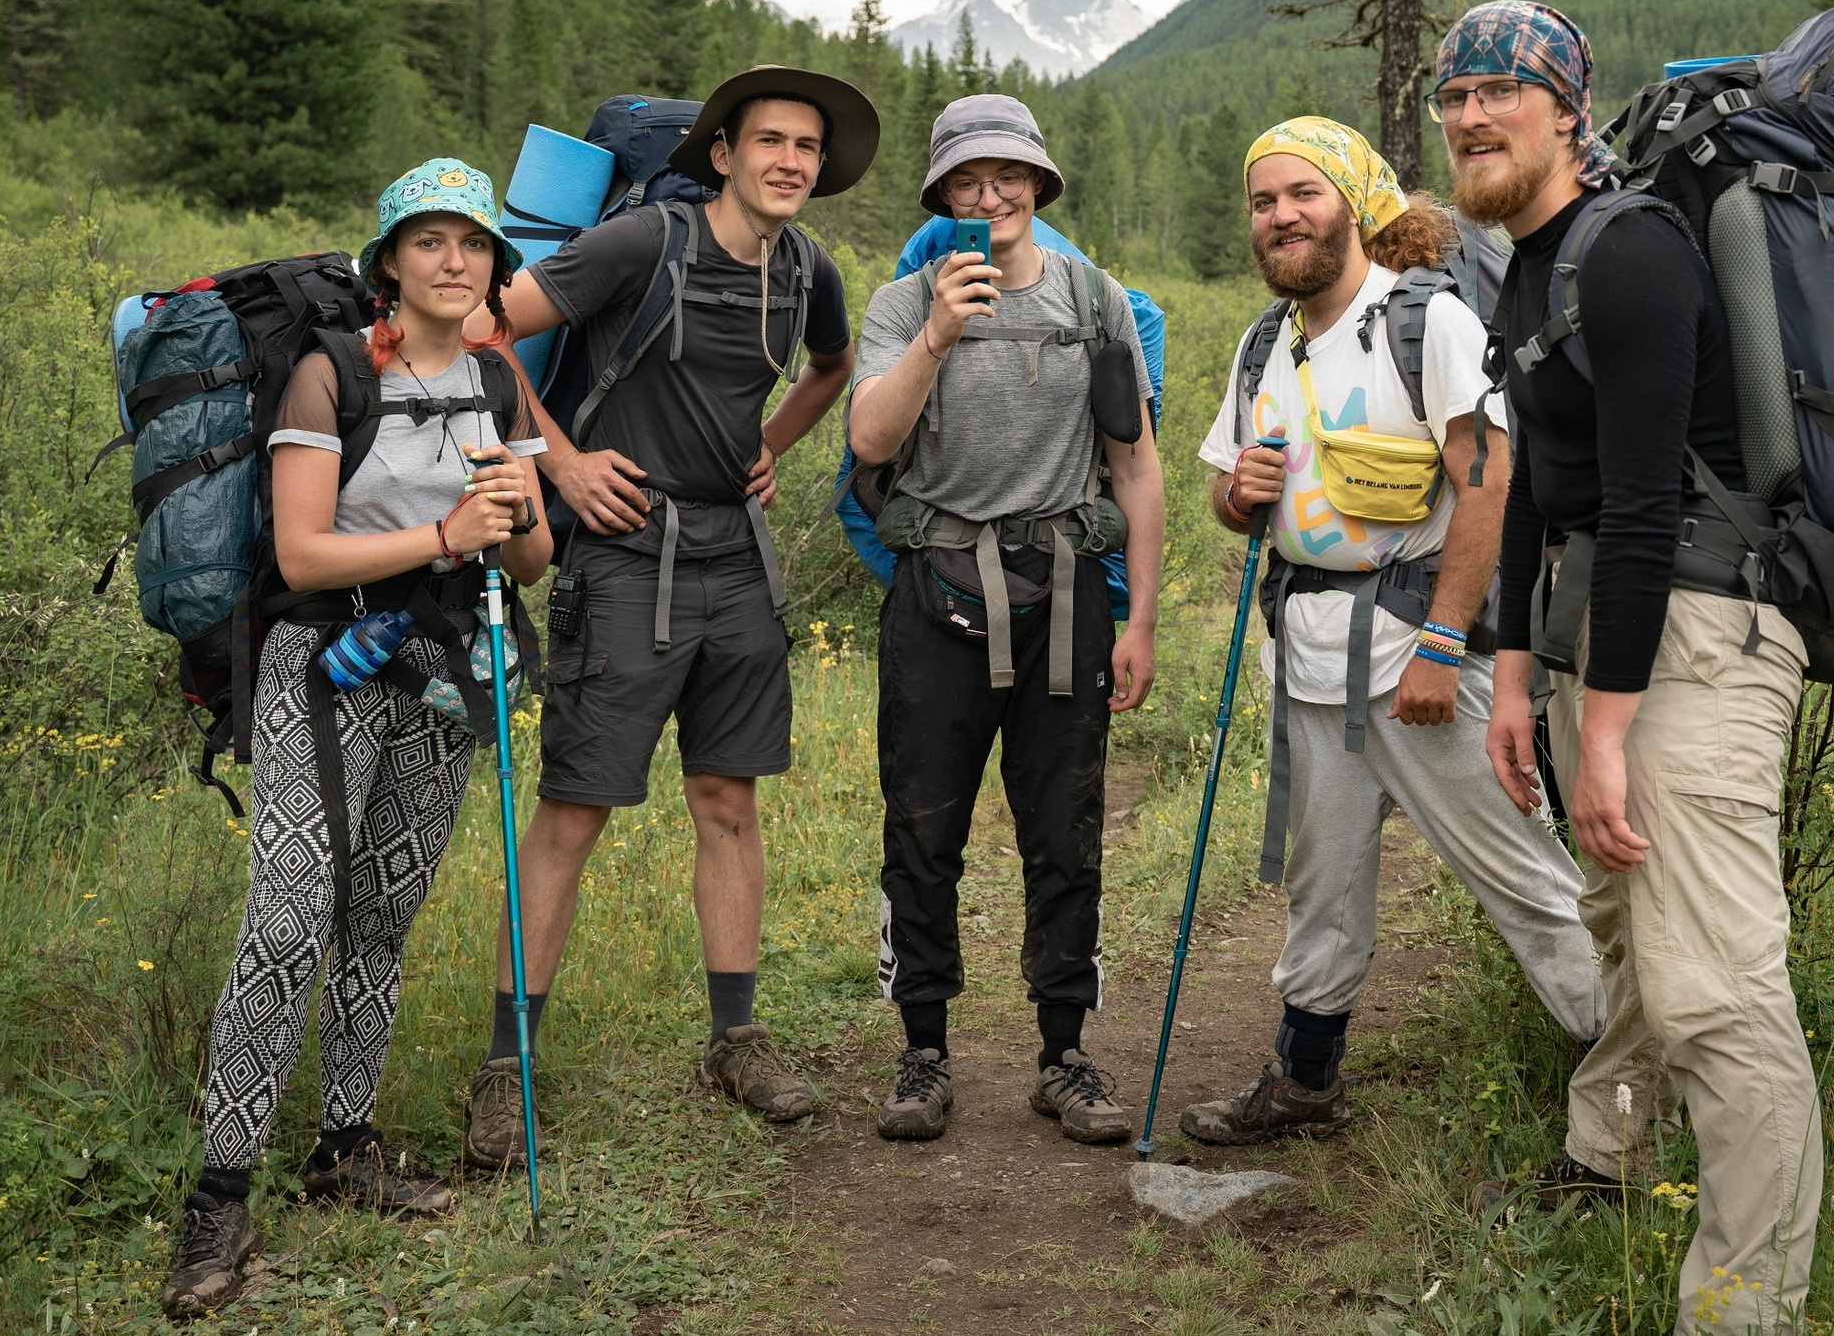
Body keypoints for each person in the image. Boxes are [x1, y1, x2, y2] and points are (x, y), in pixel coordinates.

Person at [1456, 0, 1821, 1330]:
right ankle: (1609, 1156)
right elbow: (1536, 482)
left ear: (1567, 112)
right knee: (1623, 930)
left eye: (1499, 90)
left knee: (1714, 990)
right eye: (1453, 97)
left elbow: (1647, 503)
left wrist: (1604, 729)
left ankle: (1741, 1308)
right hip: (1597, 639)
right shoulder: (1527, 265)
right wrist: (1512, 674)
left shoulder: (1632, 253)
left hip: (1699, 636)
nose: (1469, 116)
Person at [459, 67, 875, 1164]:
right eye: (770, 140)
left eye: (807, 147)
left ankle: (735, 1039)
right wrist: (558, 458)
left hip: (736, 559)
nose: (790, 161)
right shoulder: (643, 242)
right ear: (722, 154)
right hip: (622, 556)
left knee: (728, 800)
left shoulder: (809, 270)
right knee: (573, 810)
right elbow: (484, 332)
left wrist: (768, 445)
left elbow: (831, 366)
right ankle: (506, 1067)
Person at [163, 159, 553, 1320]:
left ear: (495, 265)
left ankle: (347, 1146)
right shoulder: (330, 372)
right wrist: (446, 530)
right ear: (389, 260)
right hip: (322, 664)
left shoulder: (497, 380)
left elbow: (535, 559)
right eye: (428, 240)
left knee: (381, 915)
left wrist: (514, 510)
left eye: (473, 243)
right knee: (289, 919)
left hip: (444, 671)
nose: (453, 260)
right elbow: (300, 553)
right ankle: (219, 1194)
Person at [1183, 117, 1602, 1146]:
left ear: (1355, 203)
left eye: (1303, 194)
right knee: (1321, 879)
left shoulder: (1426, 321)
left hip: (1422, 655)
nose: (1281, 216)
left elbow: (1489, 482)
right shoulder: (1261, 343)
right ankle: (1305, 1079)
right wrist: (1240, 496)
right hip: (1310, 658)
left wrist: (1444, 642)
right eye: (1263, 201)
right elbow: (1228, 502)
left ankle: (1639, 1083)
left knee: (1524, 879)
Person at [847, 94, 1163, 1144]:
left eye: (1009, 176)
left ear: (1038, 183)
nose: (991, 196)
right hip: (933, 595)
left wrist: (1140, 620)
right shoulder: (901, 305)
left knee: (1065, 831)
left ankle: (1064, 1054)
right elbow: (869, 436)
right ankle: (923, 1051)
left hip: (1063, 599)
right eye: (968, 181)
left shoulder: (1094, 299)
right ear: (942, 194)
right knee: (921, 829)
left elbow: (1136, 467)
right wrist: (939, 332)